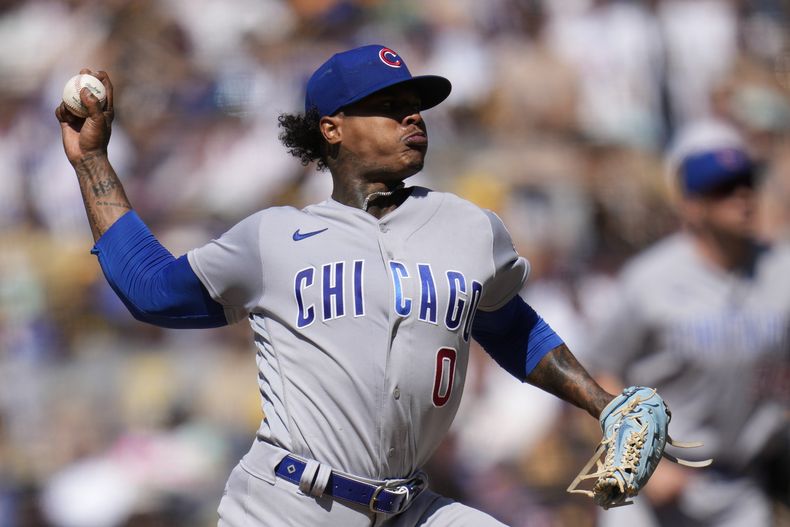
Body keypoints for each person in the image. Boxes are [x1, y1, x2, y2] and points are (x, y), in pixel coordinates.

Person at [56, 45, 617, 526]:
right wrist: (93, 162)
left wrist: (602, 404)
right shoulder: (274, 237)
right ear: (332, 128)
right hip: (288, 504)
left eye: (415, 107)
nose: (413, 118)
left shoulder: (471, 229)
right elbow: (152, 290)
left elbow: (509, 324)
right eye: (389, 107)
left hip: (407, 506)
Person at [585, 123, 790, 527]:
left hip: (741, 488)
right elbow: (595, 373)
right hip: (651, 492)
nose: (743, 196)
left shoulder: (781, 270)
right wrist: (631, 456)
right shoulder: (649, 280)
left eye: (747, 182)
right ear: (692, 204)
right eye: (724, 187)